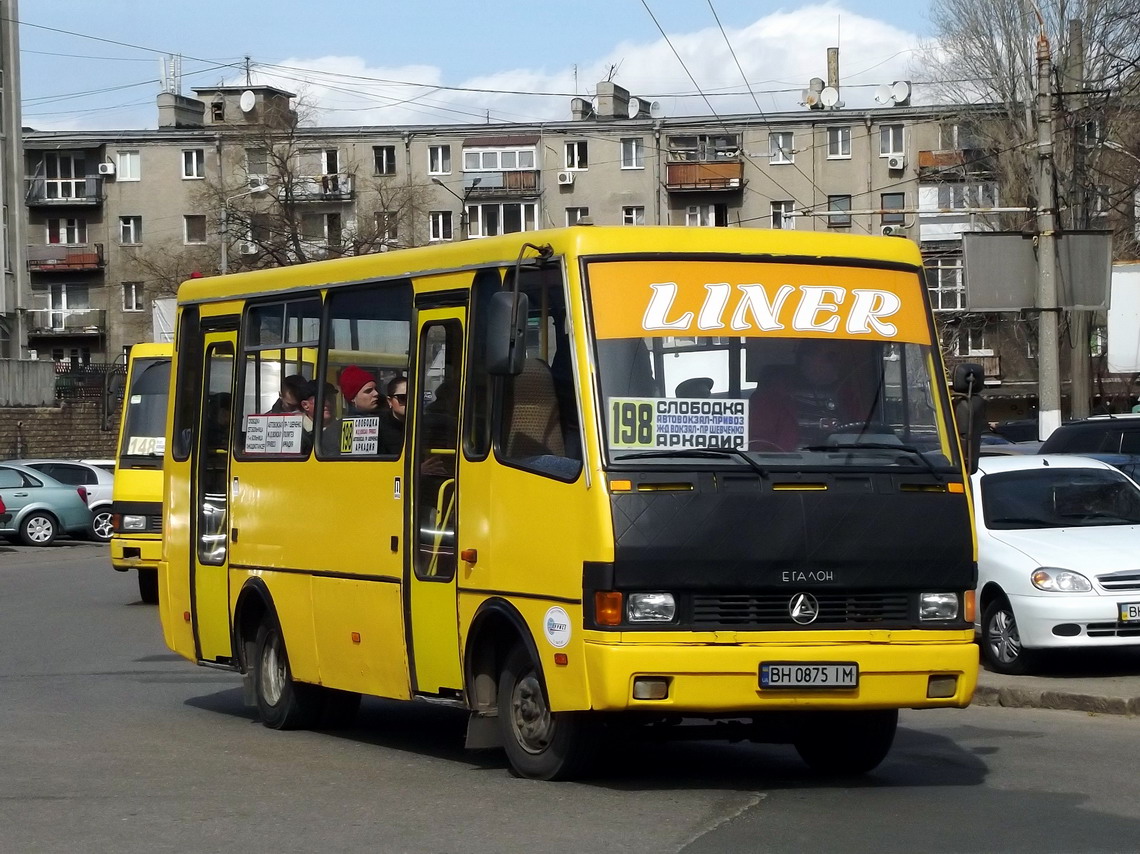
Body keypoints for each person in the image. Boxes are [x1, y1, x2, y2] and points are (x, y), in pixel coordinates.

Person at [748, 339, 870, 451]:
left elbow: (864, 438)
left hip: (840, 467)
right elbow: (759, 445)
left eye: (841, 357)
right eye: (831, 357)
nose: (838, 362)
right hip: (789, 469)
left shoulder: (849, 397)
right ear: (807, 358)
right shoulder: (771, 398)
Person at [378, 375, 408, 455]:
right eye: (402, 398)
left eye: (413, 398)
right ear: (389, 401)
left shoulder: (424, 426)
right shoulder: (379, 428)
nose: (409, 402)